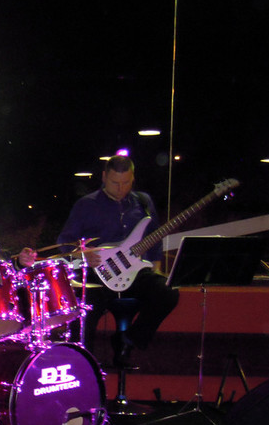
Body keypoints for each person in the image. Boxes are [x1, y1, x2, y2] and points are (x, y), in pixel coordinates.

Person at [56, 155, 179, 366]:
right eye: (115, 183)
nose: (120, 188)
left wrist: (156, 267)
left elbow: (154, 238)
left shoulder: (143, 202)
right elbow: (65, 241)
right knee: (84, 313)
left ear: (133, 179)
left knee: (168, 293)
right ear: (104, 177)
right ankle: (85, 365)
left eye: (126, 182)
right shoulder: (86, 204)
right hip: (98, 273)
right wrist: (83, 254)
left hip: (135, 271)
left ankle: (129, 339)